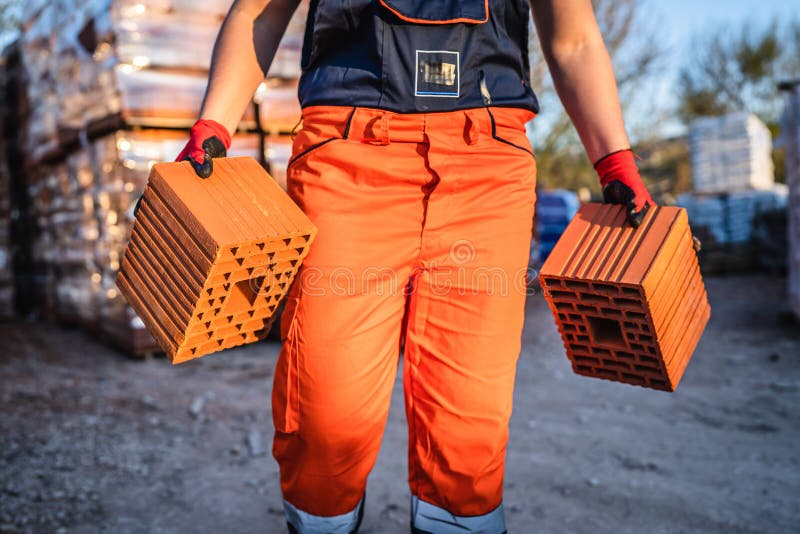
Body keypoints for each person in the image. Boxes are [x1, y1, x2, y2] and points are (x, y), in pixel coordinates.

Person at [177, 1, 655, 532]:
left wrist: (615, 160)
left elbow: (575, 40)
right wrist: (213, 122)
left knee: (468, 423)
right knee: (323, 413)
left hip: (487, 167)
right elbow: (258, 16)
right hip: (348, 156)